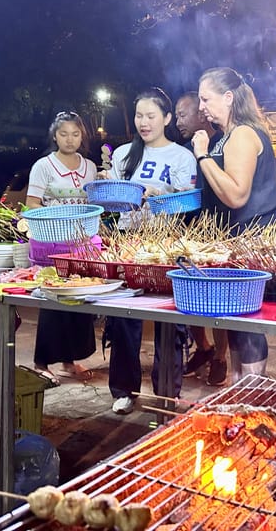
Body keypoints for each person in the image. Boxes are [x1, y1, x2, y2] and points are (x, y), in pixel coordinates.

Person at [105, 88, 196, 414]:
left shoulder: (182, 156)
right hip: (129, 239)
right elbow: (113, 203)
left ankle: (166, 392)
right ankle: (123, 389)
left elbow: (188, 201)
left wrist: (162, 193)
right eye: (139, 116)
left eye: (151, 116)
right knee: (123, 317)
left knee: (169, 319)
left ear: (167, 118)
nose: (143, 123)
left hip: (168, 242)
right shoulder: (122, 155)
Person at [191, 67, 276, 382]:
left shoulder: (243, 134)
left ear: (228, 97)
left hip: (253, 240)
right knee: (236, 322)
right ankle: (241, 392)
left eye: (206, 98)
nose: (201, 106)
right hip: (232, 240)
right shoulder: (224, 137)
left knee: (248, 325)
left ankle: (253, 393)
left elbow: (236, 195)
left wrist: (202, 156)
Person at [26, 111, 99, 382]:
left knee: (78, 298)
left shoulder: (89, 167)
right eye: (64, 134)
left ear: (83, 136)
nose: (70, 139)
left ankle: (70, 360)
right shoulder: (43, 166)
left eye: (76, 134)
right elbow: (32, 203)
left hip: (82, 244)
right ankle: (41, 362)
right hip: (52, 244)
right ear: (54, 136)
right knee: (53, 301)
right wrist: (53, 217)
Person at [174, 91, 229, 386]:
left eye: (183, 114)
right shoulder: (183, 151)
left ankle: (221, 356)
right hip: (188, 228)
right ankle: (203, 348)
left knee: (217, 296)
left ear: (200, 113)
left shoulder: (222, 143)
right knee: (190, 292)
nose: (179, 121)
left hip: (219, 227)